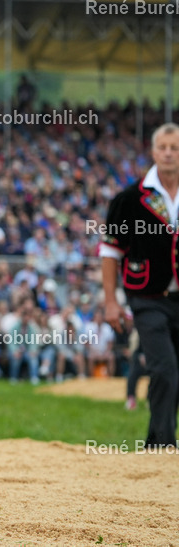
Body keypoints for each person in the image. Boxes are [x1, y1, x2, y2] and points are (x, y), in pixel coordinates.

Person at [101, 122, 179, 448]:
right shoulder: (129, 199)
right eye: (163, 147)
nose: (169, 153)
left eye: (175, 148)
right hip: (146, 296)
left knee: (174, 371)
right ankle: (163, 445)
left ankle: (155, 440)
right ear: (153, 151)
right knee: (164, 367)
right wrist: (110, 301)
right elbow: (110, 251)